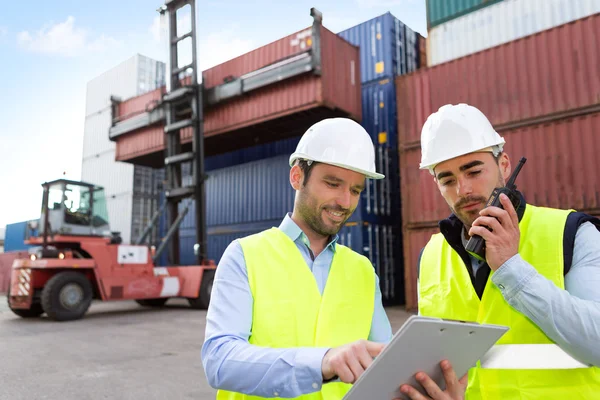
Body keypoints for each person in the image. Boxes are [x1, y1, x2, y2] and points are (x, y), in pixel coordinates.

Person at [201, 118, 464, 400]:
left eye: (355, 190)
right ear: (297, 177)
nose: (345, 201)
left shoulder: (362, 270)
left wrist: (420, 389)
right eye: (332, 183)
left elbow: (385, 370)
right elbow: (220, 360)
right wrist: (322, 362)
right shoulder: (244, 255)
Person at [412, 103, 600, 399]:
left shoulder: (573, 233)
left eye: (473, 171)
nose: (463, 190)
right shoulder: (431, 255)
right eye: (447, 180)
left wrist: (513, 269)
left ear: (504, 165)